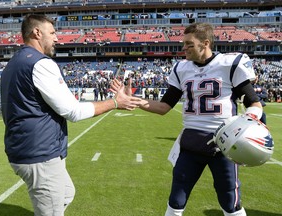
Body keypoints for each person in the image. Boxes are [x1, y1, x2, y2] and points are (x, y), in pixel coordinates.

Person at [0, 14, 140, 216]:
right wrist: (115, 102)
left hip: (22, 151)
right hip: (40, 154)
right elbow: (73, 111)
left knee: (66, 193)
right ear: (37, 33)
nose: (56, 38)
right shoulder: (42, 64)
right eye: (52, 33)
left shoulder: (10, 65)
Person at [112, 22, 263, 216]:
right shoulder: (181, 68)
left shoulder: (229, 64)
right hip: (191, 143)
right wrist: (135, 100)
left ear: (205, 43)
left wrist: (248, 122)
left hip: (223, 144)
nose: (184, 48)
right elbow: (164, 107)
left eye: (189, 44)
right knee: (176, 201)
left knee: (230, 202)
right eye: (184, 44)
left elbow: (255, 104)